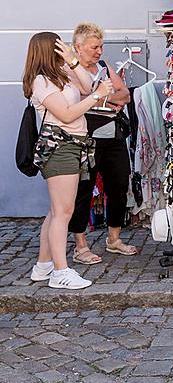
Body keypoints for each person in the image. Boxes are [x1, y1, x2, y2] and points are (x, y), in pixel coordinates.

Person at [23, 32, 114, 289]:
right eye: (58, 46)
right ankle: (60, 271)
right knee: (63, 212)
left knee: (56, 211)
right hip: (59, 146)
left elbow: (87, 86)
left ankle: (43, 266)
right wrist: (95, 98)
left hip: (74, 145)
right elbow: (65, 114)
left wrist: (74, 62)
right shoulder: (41, 81)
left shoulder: (60, 74)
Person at [66, 23, 137, 263]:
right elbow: (75, 101)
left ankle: (114, 239)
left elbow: (125, 95)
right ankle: (80, 244)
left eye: (101, 46)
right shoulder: (69, 72)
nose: (99, 51)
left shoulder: (104, 67)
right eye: (94, 47)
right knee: (83, 189)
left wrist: (96, 99)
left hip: (113, 136)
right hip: (85, 137)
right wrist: (105, 99)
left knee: (118, 184)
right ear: (78, 47)